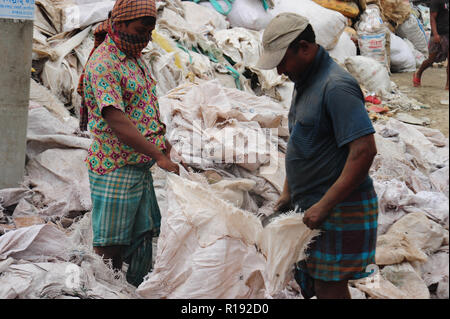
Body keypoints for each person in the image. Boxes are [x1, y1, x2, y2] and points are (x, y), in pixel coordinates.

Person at [256, 13, 379, 299]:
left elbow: (364, 151)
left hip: (339, 208)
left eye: (282, 61)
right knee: (312, 281)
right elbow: (304, 143)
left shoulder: (336, 87)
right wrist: (288, 193)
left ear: (304, 48)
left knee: (328, 286)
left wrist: (324, 205)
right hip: (314, 206)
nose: (279, 72)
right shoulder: (305, 82)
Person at [77, 0, 184, 287]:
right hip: (115, 167)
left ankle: (133, 289)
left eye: (151, 31)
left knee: (140, 236)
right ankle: (107, 289)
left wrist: (163, 144)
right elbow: (117, 119)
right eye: (141, 30)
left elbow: (144, 107)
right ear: (120, 24)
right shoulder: (104, 63)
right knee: (111, 244)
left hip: (137, 168)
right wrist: (158, 156)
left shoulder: (134, 56)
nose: (146, 37)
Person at [413, 0, 449, 90]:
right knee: (431, 59)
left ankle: (448, 85)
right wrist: (436, 34)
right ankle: (419, 73)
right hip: (439, 34)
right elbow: (432, 17)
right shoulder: (437, 1)